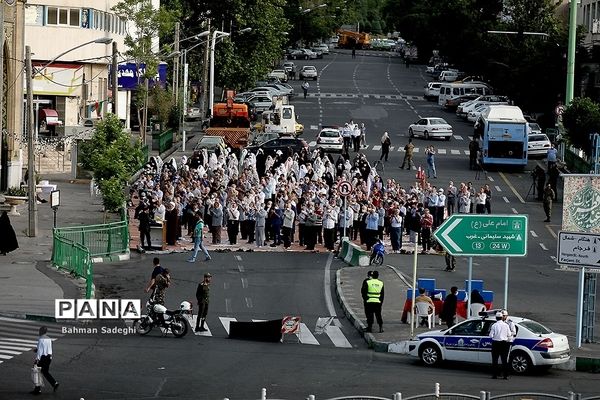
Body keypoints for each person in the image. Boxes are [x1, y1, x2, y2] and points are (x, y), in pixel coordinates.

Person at [31, 326, 58, 394]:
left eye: (39, 331)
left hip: (42, 358)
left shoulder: (41, 339)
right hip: (48, 358)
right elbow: (48, 349)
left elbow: (40, 351)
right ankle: (54, 383)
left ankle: (37, 389)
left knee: (36, 371)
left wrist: (37, 360)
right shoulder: (49, 339)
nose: (39, 332)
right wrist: (50, 357)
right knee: (45, 372)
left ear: (41, 331)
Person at [489, 311, 512, 379]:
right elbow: (509, 334)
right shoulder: (506, 325)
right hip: (504, 343)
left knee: (495, 360)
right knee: (504, 360)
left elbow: (491, 335)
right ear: (502, 318)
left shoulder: (494, 325)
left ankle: (495, 375)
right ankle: (505, 375)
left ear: (496, 318)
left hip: (496, 343)